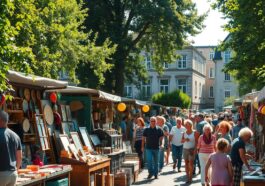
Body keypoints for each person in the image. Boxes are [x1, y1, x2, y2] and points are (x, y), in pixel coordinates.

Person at [0, 110, 22, 186]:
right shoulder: (15, 136)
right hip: (13, 174)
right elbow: (19, 157)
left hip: (1, 174)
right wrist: (16, 171)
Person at [182, 119, 198, 184]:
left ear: (191, 125)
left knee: (191, 164)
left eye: (189, 125)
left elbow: (197, 142)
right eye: (186, 125)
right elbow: (181, 141)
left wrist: (195, 150)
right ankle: (187, 177)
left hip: (191, 149)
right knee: (186, 164)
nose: (187, 126)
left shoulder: (195, 132)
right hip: (185, 149)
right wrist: (185, 139)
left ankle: (190, 178)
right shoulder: (184, 132)